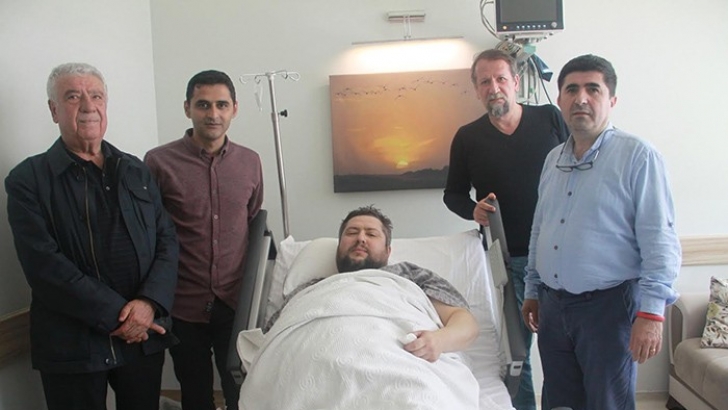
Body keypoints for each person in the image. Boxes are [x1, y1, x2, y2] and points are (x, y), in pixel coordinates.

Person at [4, 62, 179, 410]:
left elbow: (167, 240)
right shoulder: (28, 180)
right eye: (73, 97)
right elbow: (44, 266)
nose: (88, 106)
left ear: (106, 105)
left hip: (141, 337)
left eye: (96, 96)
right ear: (54, 110)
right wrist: (122, 317)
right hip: (73, 344)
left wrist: (148, 305)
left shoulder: (135, 169)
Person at [522, 54, 681, 410]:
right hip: (553, 307)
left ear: (612, 99)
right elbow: (540, 228)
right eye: (571, 90)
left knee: (607, 402)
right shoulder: (553, 160)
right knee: (559, 402)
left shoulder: (638, 156)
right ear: (559, 99)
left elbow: (659, 239)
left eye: (593, 89)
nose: (581, 98)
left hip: (608, 309)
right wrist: (532, 289)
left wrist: (651, 314)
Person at [444, 48, 569, 410]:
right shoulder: (467, 138)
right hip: (507, 261)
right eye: (485, 82)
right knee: (517, 353)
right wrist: (473, 210)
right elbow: (453, 194)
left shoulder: (549, 118)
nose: (494, 87)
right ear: (476, 90)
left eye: (501, 79)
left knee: (563, 347)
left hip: (561, 256)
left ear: (515, 82)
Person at [145, 69, 264, 410]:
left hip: (234, 303)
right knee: (194, 393)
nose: (213, 114)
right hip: (182, 302)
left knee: (241, 392)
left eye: (221, 105)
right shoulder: (158, 162)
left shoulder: (250, 162)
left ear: (234, 109)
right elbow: (149, 232)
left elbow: (252, 221)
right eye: (203, 105)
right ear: (187, 108)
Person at [268, 205, 479, 361]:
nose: (361, 238)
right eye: (352, 232)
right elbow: (273, 335)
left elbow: (463, 322)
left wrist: (439, 341)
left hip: (400, 359)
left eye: (371, 234)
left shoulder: (410, 276)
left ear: (388, 251)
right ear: (339, 246)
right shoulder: (310, 289)